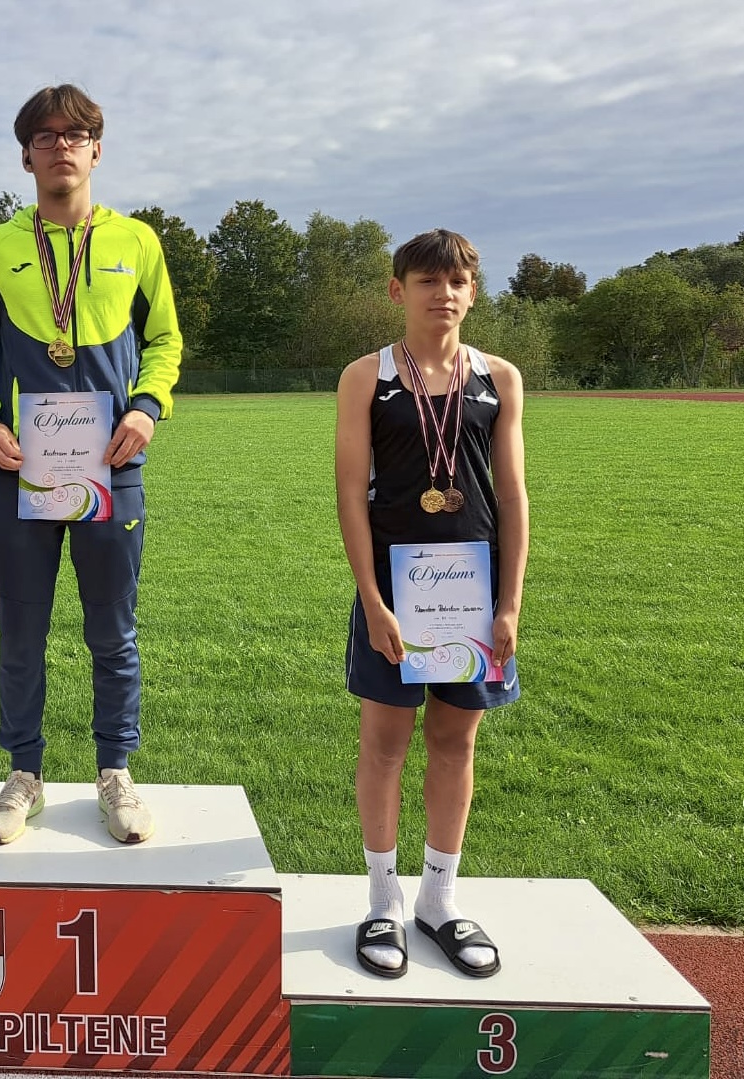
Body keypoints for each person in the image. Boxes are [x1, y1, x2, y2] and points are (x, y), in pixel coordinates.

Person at [0, 85, 182, 846]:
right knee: (21, 632)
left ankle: (115, 771)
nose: (60, 147)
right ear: (26, 156)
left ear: (96, 150)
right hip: (22, 469)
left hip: (113, 464)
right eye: (44, 137)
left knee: (113, 631)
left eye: (74, 134)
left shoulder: (136, 242)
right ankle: (23, 773)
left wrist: (146, 408)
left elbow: (165, 341)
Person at [335, 229, 527, 978]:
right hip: (395, 591)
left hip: (473, 595)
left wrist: (508, 604)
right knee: (384, 743)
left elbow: (511, 498)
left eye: (456, 283)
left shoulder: (499, 377)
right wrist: (371, 599)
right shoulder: (366, 376)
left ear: (472, 293)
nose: (441, 294)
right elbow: (350, 495)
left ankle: (438, 899)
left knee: (455, 742)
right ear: (398, 291)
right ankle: (381, 900)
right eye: (426, 281)